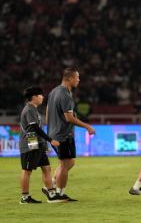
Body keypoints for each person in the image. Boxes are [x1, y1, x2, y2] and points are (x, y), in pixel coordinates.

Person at [47, 68, 96, 201]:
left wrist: (50, 126)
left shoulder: (54, 91)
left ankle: (50, 185)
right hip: (62, 135)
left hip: (55, 133)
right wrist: (87, 126)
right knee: (64, 164)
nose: (79, 80)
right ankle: (59, 194)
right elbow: (69, 118)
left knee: (70, 162)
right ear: (69, 78)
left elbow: (47, 111)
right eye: (77, 77)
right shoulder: (65, 95)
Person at [19, 86, 65, 204]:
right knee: (27, 170)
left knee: (46, 168)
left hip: (36, 143)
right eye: (41, 95)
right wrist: (50, 140)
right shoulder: (29, 109)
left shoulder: (34, 109)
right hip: (30, 143)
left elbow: (36, 129)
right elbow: (34, 128)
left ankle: (51, 194)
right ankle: (25, 198)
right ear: (34, 97)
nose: (42, 97)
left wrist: (44, 145)